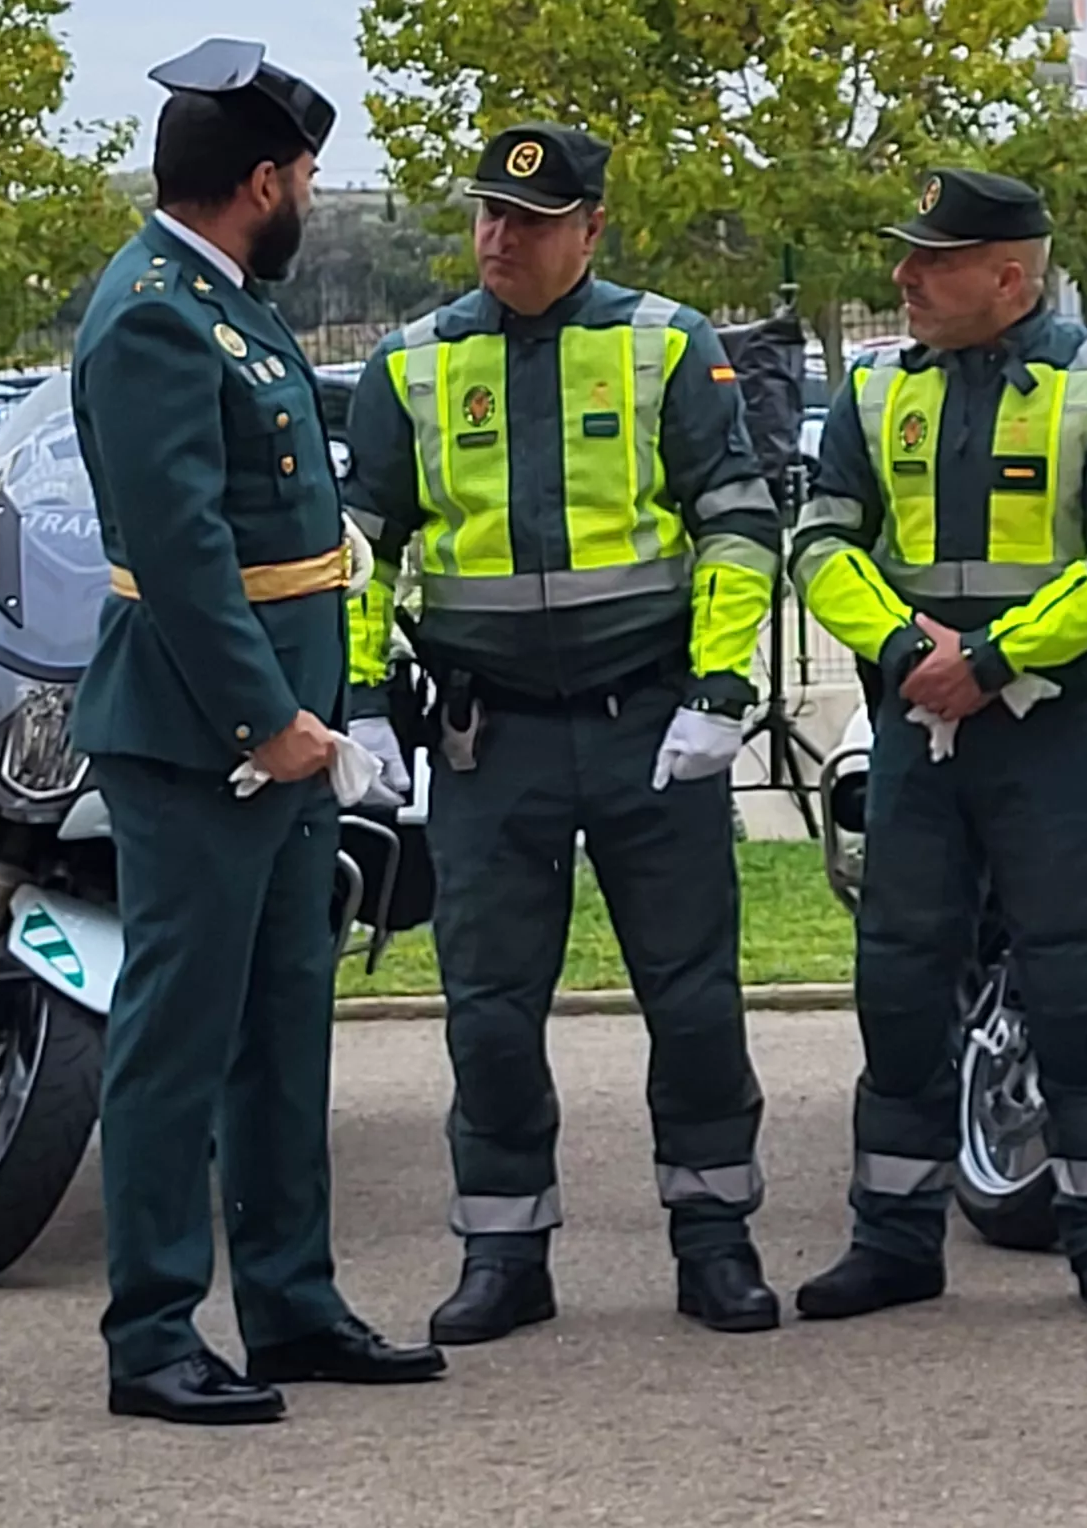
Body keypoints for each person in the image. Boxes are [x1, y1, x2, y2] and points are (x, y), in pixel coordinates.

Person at [340, 123, 787, 1342]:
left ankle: (713, 1240)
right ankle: (504, 1251)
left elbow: (737, 524)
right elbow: (359, 548)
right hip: (494, 741)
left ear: (591, 228)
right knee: (487, 1007)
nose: (501, 238)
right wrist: (361, 702)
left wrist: (718, 693)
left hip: (649, 725)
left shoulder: (666, 345)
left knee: (692, 1000)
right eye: (487, 215)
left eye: (531, 221)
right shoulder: (412, 363)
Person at [70, 39, 447, 1427]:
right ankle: (153, 1334)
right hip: (202, 737)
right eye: (303, 179)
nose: (308, 199)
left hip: (283, 727)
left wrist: (321, 712)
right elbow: (181, 552)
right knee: (179, 1034)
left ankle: (290, 1300)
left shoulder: (225, 298)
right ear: (261, 181)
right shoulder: (156, 314)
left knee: (285, 1020)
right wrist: (265, 717)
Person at [787, 168, 1087, 1323]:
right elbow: (821, 540)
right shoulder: (872, 391)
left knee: (1069, 980)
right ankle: (894, 1236)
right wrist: (909, 652)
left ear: (1009, 276)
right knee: (899, 980)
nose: (903, 278)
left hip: (1052, 736)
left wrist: (993, 661)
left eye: (932, 260)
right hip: (919, 729)